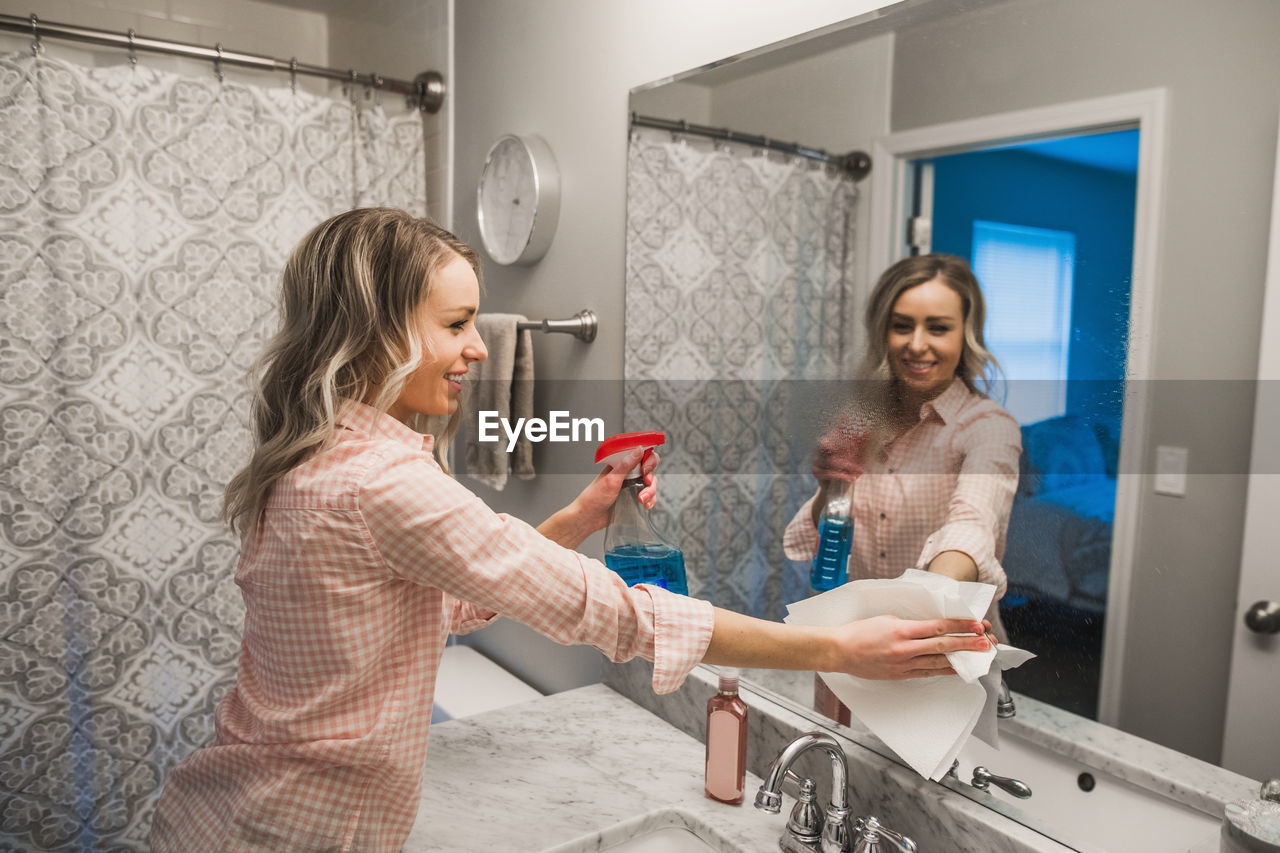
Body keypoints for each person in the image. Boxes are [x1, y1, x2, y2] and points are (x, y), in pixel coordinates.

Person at [149, 210, 992, 852]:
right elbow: (613, 612)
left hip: (230, 807)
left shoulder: (322, 454)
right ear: (375, 332)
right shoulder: (384, 479)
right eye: (455, 323)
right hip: (285, 831)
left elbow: (437, 604)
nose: (478, 348)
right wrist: (835, 651)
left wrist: (580, 517)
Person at [782, 253, 1021, 722]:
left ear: (966, 335)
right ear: (883, 332)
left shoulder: (987, 429)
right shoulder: (861, 419)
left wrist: (908, 619)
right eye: (902, 325)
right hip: (856, 653)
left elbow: (969, 530)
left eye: (937, 328)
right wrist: (832, 486)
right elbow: (823, 538)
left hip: (943, 664)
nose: (917, 345)